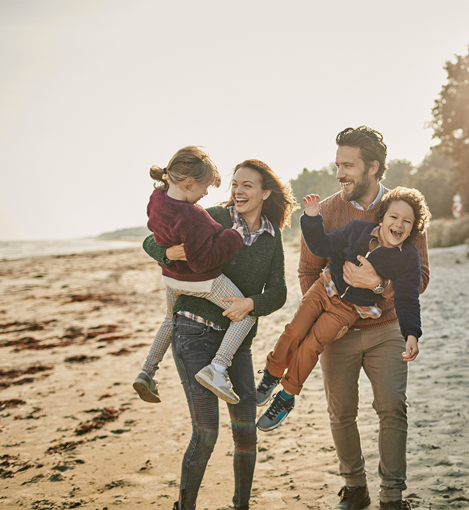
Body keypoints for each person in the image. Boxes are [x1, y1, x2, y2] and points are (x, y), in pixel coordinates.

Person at [143, 159, 296, 510]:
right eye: (235, 184)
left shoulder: (272, 237)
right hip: (193, 333)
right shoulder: (214, 217)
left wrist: (250, 303)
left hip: (236, 346)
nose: (238, 191)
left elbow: (279, 291)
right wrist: (166, 252)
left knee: (246, 434)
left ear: (265, 192)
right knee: (207, 432)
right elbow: (149, 241)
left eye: (247, 185)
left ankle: (240, 506)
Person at [297, 127, 430, 510]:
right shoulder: (326, 210)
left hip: (385, 328)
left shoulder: (403, 211)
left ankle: (392, 495)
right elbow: (309, 269)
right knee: (341, 412)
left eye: (349, 165)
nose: (340, 173)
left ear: (373, 167)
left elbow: (419, 277)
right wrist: (326, 316)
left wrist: (379, 284)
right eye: (338, 165)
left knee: (391, 407)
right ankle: (354, 487)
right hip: (336, 330)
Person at [256, 187, 430, 433]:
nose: (399, 224)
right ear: (382, 218)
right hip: (323, 288)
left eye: (407, 221)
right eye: (394, 217)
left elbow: (408, 296)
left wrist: (412, 333)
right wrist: (312, 218)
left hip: (350, 309)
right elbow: (321, 246)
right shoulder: (357, 229)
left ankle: (286, 396)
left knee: (311, 346)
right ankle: (271, 375)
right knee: (293, 332)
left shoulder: (407, 257)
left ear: (413, 229)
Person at [133, 146, 255, 406]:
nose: (205, 194)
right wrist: (233, 236)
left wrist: (168, 253)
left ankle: (147, 371)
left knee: (169, 319)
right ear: (189, 183)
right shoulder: (193, 215)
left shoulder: (157, 198)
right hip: (203, 283)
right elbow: (203, 262)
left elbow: (154, 230)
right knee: (245, 314)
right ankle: (218, 368)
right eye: (205, 188)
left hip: (171, 280)